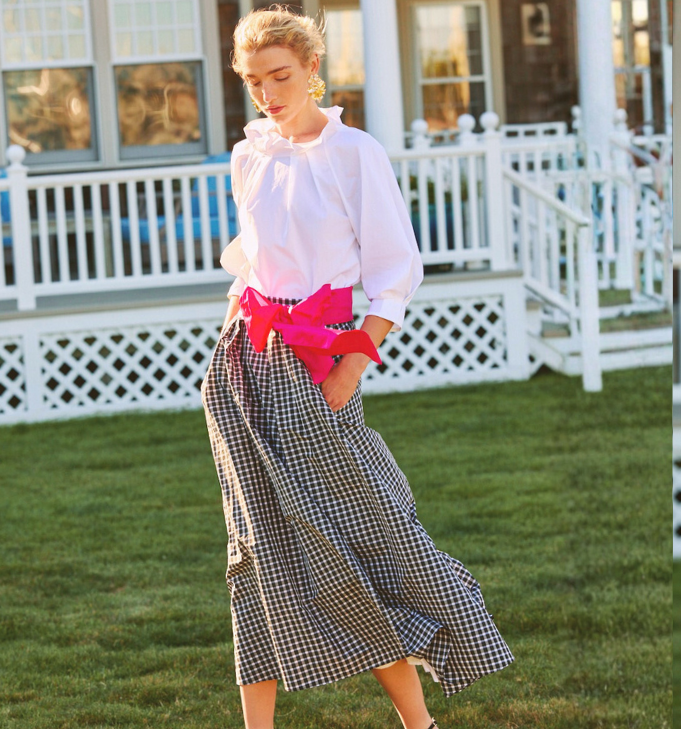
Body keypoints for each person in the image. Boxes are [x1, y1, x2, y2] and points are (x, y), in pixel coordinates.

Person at [200, 7, 513, 729]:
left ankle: (419, 720)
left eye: (281, 76)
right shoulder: (250, 153)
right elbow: (250, 259)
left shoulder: (353, 153)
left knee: (351, 532)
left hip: (320, 357)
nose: (269, 93)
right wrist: (232, 338)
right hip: (245, 357)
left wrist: (350, 365)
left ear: (313, 69)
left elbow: (397, 269)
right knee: (254, 540)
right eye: (254, 81)